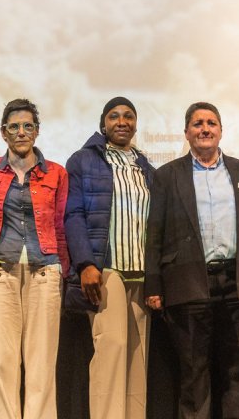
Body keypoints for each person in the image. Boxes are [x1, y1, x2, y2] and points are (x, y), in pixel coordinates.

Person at [144, 101, 239, 419]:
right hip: (187, 285)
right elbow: (154, 233)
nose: (205, 129)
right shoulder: (166, 175)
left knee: (237, 374)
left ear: (221, 131)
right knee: (193, 375)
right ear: (186, 132)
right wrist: (153, 284)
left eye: (211, 123)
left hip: (237, 284)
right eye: (198, 123)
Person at [64, 96, 155, 419]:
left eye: (129, 116)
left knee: (137, 356)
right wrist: (86, 264)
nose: (122, 122)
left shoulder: (144, 165)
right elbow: (73, 215)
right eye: (114, 116)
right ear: (103, 122)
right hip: (107, 269)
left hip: (140, 272)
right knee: (111, 351)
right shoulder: (84, 160)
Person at [0, 98, 69, 419]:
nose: (21, 132)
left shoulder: (56, 173)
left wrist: (64, 270)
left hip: (45, 269)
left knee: (41, 360)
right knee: (3, 360)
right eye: (14, 127)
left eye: (27, 126)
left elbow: (61, 225)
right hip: (0, 270)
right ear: (3, 133)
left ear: (37, 131)